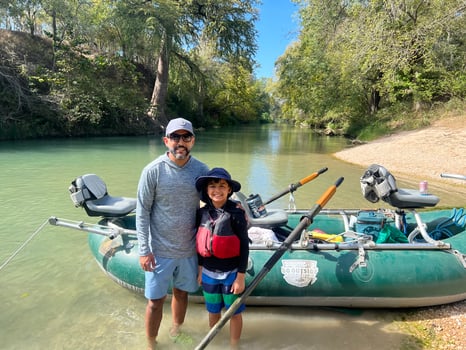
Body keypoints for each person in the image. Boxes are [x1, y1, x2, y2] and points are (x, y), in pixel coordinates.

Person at [136, 117, 209, 350]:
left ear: (193, 141)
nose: (180, 142)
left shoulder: (201, 171)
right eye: (175, 137)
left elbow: (214, 203)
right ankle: (151, 343)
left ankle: (177, 331)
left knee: (182, 293)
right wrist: (144, 250)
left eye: (185, 137)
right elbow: (142, 212)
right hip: (159, 251)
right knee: (155, 302)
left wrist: (237, 210)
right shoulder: (152, 171)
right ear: (166, 140)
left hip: (189, 250)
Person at [195, 168, 250, 348]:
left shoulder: (236, 213)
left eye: (222, 186)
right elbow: (200, 243)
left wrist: (240, 277)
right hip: (209, 273)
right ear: (206, 190)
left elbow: (243, 245)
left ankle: (234, 345)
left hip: (232, 274)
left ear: (229, 190)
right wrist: (200, 269)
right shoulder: (202, 213)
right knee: (213, 312)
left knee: (234, 313)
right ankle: (216, 343)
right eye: (212, 186)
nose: (217, 190)